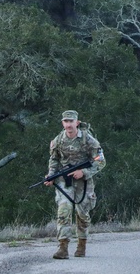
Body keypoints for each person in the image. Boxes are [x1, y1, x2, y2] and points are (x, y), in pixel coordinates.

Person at [44, 110, 106, 259]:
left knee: (82, 214)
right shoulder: (58, 140)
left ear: (77, 123)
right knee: (64, 210)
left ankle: (81, 245)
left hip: (83, 181)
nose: (68, 124)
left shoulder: (88, 140)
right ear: (63, 123)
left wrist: (83, 172)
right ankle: (63, 247)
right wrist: (51, 175)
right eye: (66, 121)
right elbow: (54, 159)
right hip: (65, 180)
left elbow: (101, 161)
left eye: (71, 121)